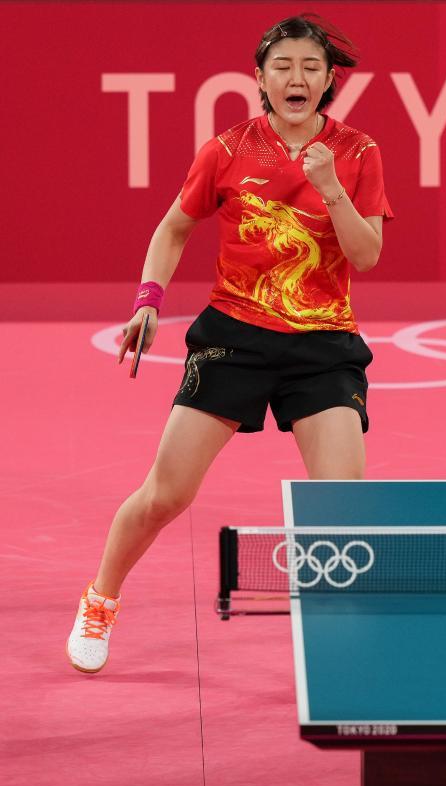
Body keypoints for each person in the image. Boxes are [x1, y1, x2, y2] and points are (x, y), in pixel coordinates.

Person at [66, 14, 393, 673]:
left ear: (329, 79)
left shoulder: (358, 152)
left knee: (341, 506)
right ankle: (100, 600)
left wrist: (331, 188)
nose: (297, 77)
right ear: (261, 79)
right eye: (283, 66)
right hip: (235, 337)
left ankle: (337, 636)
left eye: (310, 67)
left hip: (323, 344)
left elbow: (367, 255)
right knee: (166, 494)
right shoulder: (227, 149)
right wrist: (148, 300)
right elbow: (173, 228)